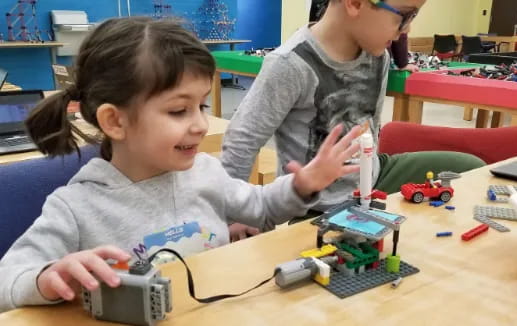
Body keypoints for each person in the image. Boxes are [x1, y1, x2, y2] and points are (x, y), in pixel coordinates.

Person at [0, 17, 363, 312]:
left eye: (202, 106)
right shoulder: (76, 206)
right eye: (178, 110)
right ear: (115, 122)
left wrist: (302, 185)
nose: (201, 124)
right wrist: (47, 277)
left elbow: (261, 205)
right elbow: (8, 279)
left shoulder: (206, 173)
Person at [221, 0, 485, 238]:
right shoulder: (290, 64)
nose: (407, 30)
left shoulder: (378, 56)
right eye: (404, 16)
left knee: (468, 166)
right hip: (316, 207)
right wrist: (235, 216)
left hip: (375, 177)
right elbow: (241, 142)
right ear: (355, 3)